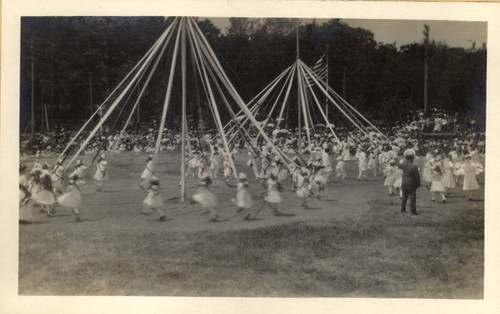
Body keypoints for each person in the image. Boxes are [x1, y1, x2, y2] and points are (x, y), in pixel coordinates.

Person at [397, 150, 421, 215]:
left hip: (404, 183)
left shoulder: (403, 165)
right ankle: (413, 210)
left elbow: (398, 165)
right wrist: (418, 184)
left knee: (404, 197)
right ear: (411, 158)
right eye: (413, 158)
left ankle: (403, 208)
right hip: (412, 184)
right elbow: (417, 177)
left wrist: (402, 160)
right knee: (412, 197)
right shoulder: (414, 167)